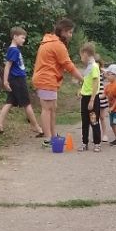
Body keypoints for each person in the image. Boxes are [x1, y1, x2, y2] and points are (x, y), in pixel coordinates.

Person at [32, 17, 84, 148]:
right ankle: (48, 138)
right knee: (47, 109)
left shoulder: (49, 40)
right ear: (63, 31)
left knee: (52, 108)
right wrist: (83, 79)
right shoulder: (57, 45)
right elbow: (69, 66)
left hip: (48, 79)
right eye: (70, 32)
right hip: (46, 79)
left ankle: (53, 136)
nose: (71, 35)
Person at [0, 26, 44, 137]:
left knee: (9, 102)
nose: (23, 40)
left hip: (17, 79)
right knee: (27, 103)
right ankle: (36, 126)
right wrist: (5, 81)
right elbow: (7, 66)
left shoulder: (14, 50)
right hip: (18, 80)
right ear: (15, 37)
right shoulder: (13, 50)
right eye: (22, 38)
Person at [78, 42, 102, 152]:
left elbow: (95, 83)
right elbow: (87, 82)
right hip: (85, 97)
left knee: (94, 121)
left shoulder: (94, 67)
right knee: (85, 121)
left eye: (81, 56)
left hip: (92, 98)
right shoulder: (88, 67)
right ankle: (85, 143)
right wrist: (81, 90)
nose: (81, 58)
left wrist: (92, 100)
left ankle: (97, 143)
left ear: (85, 54)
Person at [96, 55, 110, 143]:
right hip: (94, 97)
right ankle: (96, 134)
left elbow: (108, 74)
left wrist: (103, 70)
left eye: (97, 64)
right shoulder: (90, 73)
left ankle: (105, 134)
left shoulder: (101, 73)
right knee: (94, 118)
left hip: (102, 97)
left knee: (102, 117)